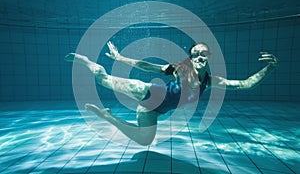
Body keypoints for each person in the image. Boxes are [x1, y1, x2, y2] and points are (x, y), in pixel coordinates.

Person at [65, 41, 278, 146]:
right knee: (102, 80)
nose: (199, 56)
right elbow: (148, 66)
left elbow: (244, 84)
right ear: (191, 57)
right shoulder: (179, 68)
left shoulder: (210, 81)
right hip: (148, 92)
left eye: (203, 53)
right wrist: (120, 58)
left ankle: (107, 116)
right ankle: (85, 60)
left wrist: (268, 69)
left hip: (154, 111)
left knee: (144, 141)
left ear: (208, 57)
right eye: (195, 53)